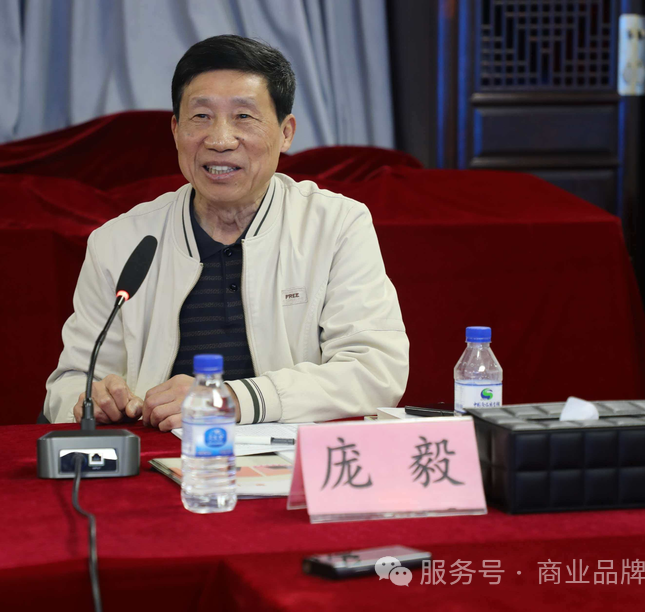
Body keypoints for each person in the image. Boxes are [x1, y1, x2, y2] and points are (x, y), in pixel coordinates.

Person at [44, 35, 409, 430]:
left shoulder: (335, 225)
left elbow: (375, 370)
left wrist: (233, 400)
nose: (219, 140)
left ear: (286, 133)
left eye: (243, 117)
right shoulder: (119, 242)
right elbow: (68, 385)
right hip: (153, 454)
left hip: (289, 459)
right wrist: (91, 400)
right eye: (201, 116)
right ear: (175, 130)